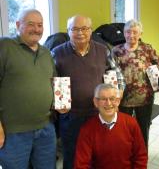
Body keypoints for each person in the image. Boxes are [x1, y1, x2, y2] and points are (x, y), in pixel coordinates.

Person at [52, 15, 125, 169]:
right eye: (75, 29)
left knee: (98, 154)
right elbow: (51, 81)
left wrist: (118, 93)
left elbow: (116, 73)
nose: (80, 33)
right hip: (71, 116)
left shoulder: (103, 50)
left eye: (84, 28)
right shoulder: (57, 53)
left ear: (91, 31)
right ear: (68, 31)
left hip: (98, 113)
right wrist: (56, 101)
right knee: (72, 156)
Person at [0, 9, 56, 169]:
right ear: (18, 25)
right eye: (30, 24)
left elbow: (55, 81)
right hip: (14, 133)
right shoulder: (4, 46)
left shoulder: (46, 52)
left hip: (45, 128)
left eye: (40, 25)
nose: (36, 29)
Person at [74, 83, 147, 169]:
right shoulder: (87, 129)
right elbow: (81, 164)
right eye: (103, 99)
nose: (108, 103)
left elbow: (140, 156)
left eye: (112, 99)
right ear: (96, 102)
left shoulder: (131, 123)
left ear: (118, 101)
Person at [112, 19, 159, 147]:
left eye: (135, 32)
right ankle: (125, 155)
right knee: (123, 129)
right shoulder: (116, 50)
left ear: (140, 34)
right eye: (128, 32)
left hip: (144, 97)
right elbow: (111, 73)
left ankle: (141, 156)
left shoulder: (147, 49)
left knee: (143, 128)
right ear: (124, 33)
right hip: (123, 98)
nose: (131, 35)